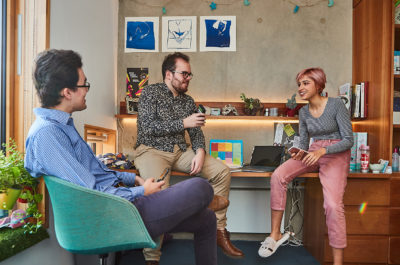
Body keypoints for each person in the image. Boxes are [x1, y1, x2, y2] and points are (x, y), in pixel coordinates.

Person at [24, 49, 218, 265]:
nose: (87, 90)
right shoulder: (47, 134)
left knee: (207, 219)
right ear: (67, 92)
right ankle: (200, 199)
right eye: (84, 84)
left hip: (118, 202)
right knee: (200, 187)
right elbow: (93, 192)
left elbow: (92, 171)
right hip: (115, 213)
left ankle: (198, 203)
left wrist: (131, 178)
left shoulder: (61, 126)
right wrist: (141, 191)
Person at [133, 52, 244, 264]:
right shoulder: (150, 93)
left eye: (190, 75)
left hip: (181, 151)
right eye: (184, 74)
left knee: (222, 171)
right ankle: (152, 258)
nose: (188, 78)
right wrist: (184, 123)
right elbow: (147, 129)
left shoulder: (188, 101)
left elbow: (196, 132)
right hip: (151, 150)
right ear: (168, 74)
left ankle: (220, 230)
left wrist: (200, 151)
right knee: (158, 196)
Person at [258, 68, 353, 265]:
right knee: (278, 175)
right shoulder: (303, 112)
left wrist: (323, 151)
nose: (300, 88)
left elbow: (348, 140)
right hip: (313, 152)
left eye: (306, 83)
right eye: (299, 84)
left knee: (333, 206)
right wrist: (298, 152)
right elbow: (303, 143)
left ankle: (338, 262)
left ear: (318, 85)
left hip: (336, 153)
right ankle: (275, 234)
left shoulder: (336, 105)